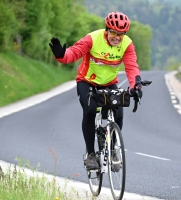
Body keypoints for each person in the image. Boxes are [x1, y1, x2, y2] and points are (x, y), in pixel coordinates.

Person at [49, 11, 143, 170]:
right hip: (87, 81)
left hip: (108, 83)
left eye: (121, 34)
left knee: (119, 113)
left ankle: (113, 151)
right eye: (113, 32)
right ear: (106, 30)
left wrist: (136, 86)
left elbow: (132, 67)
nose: (117, 37)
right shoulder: (93, 38)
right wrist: (62, 55)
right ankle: (91, 155)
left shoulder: (127, 44)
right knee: (90, 110)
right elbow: (75, 52)